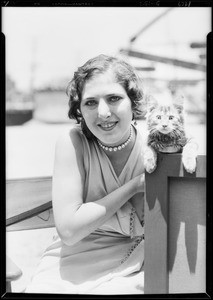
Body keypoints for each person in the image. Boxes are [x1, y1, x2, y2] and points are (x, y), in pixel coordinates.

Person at [25, 54, 146, 294]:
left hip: (138, 260)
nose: (103, 112)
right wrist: (133, 186)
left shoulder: (153, 147)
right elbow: (70, 231)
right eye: (90, 102)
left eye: (114, 98)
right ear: (78, 108)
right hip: (72, 260)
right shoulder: (72, 143)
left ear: (132, 102)